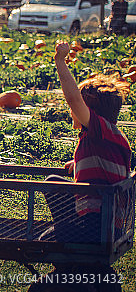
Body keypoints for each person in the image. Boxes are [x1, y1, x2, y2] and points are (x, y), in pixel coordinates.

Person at [42, 41, 131, 242]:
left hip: (97, 225)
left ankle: (71, 259)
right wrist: (80, 164)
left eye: (78, 107)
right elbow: (107, 165)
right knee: (54, 182)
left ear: (89, 110)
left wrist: (60, 60)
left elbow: (73, 98)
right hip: (105, 224)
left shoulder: (100, 129)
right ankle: (69, 239)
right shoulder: (109, 136)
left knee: (46, 237)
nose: (72, 109)